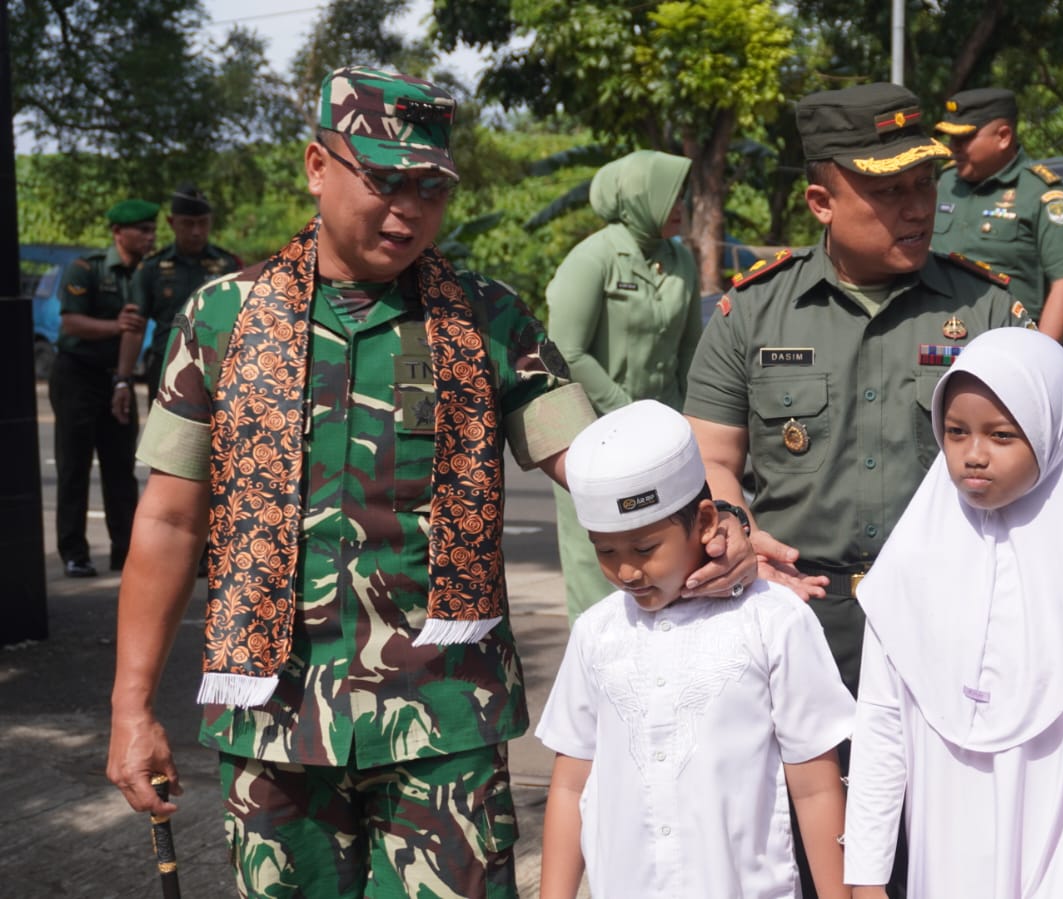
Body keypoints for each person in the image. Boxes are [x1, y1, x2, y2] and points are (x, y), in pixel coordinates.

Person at [104, 66, 755, 898]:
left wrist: (713, 515)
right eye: (382, 180)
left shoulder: (486, 318)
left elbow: (593, 464)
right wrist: (131, 709)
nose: (407, 210)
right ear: (316, 165)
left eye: (430, 189)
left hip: (444, 718)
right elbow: (167, 521)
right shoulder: (223, 318)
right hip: (273, 722)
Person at [684, 81, 1028, 899]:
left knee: (947, 850)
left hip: (954, 623)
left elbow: (1049, 470)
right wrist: (737, 532)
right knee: (800, 851)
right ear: (820, 200)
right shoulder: (752, 314)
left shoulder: (989, 310)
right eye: (886, 190)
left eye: (924, 185)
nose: (916, 208)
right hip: (800, 615)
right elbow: (709, 454)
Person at [844, 328, 1063, 899]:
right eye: (955, 432)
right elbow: (880, 725)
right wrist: (867, 873)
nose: (973, 454)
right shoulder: (911, 566)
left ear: (1055, 433)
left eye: (1002, 435)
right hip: (947, 857)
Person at [537, 400, 854, 899]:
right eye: (606, 551)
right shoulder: (598, 633)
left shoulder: (772, 620)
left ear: (705, 520)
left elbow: (815, 785)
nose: (626, 572)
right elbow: (571, 783)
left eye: (644, 549)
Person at [545, 149, 702, 621]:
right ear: (640, 196)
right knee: (605, 580)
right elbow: (565, 351)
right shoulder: (594, 258)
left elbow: (690, 349)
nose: (681, 203)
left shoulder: (680, 259)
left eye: (683, 193)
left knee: (674, 572)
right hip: (598, 441)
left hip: (666, 443)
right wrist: (627, 411)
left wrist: (696, 422)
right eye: (669, 193)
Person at [931, 87, 1063, 341]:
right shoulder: (945, 182)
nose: (953, 148)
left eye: (964, 139)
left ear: (1003, 136)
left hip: (1004, 342)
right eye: (951, 139)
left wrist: (1038, 356)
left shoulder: (1041, 193)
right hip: (937, 338)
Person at [51, 198, 156, 577]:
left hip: (118, 378)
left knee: (120, 468)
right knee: (74, 466)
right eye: (142, 230)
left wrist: (123, 379)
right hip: (77, 376)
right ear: (118, 233)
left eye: (152, 229)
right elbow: (71, 324)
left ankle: (125, 552)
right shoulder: (86, 269)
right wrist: (117, 326)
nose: (150, 236)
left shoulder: (146, 273)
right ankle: (74, 553)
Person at [115, 182, 242, 419]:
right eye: (188, 223)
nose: (196, 231)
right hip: (167, 371)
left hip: (219, 371)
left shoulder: (229, 266)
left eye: (202, 223)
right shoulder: (152, 268)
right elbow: (134, 328)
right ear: (172, 223)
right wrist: (123, 380)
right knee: (169, 447)